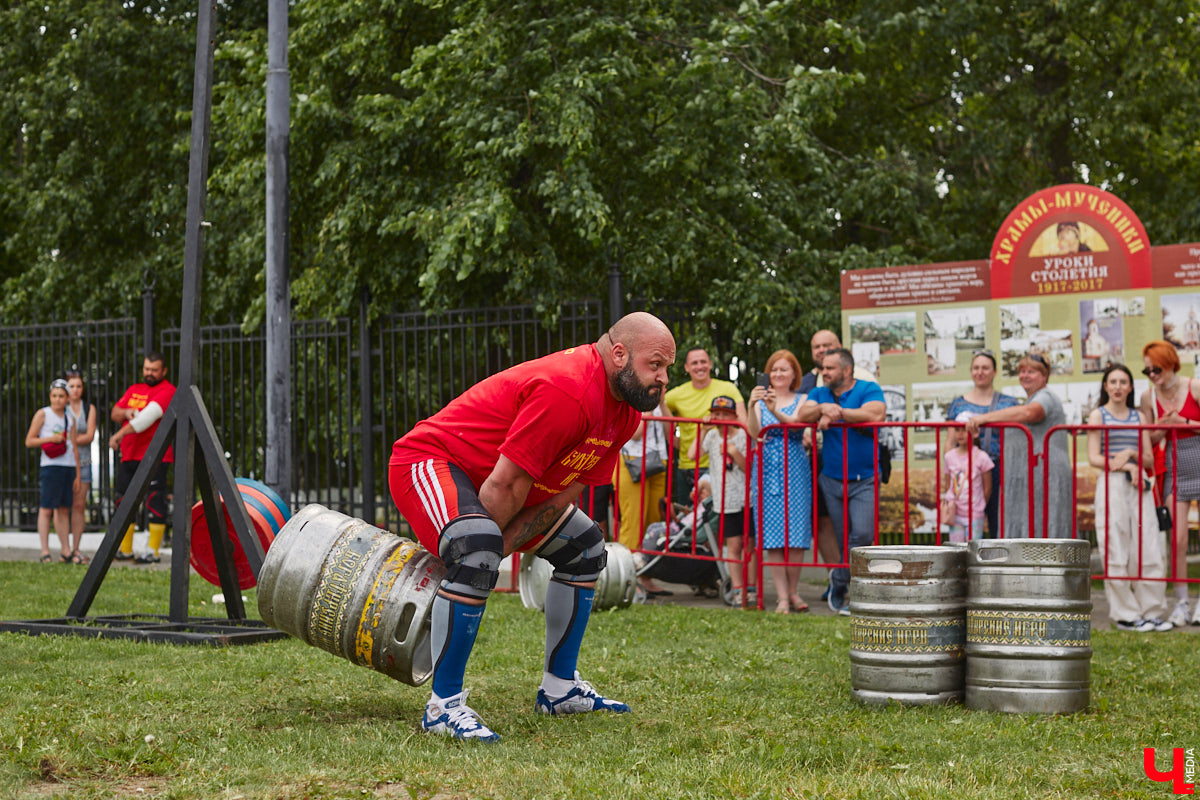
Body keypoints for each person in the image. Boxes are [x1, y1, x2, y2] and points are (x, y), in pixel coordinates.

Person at [388, 312, 675, 742]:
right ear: (620, 354)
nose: (664, 378)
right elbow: (506, 484)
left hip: (502, 484)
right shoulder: (570, 391)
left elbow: (562, 493)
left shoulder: (626, 415)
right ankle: (443, 707)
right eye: (655, 365)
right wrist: (473, 557)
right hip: (431, 461)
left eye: (666, 368)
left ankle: (559, 690)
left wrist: (485, 553)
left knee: (585, 547)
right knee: (476, 546)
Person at [797, 348, 885, 615]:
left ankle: (840, 580)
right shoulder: (819, 393)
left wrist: (839, 413)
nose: (824, 373)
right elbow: (803, 415)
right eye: (823, 368)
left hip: (865, 478)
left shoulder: (868, 388)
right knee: (841, 536)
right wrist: (824, 408)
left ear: (847, 371)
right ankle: (847, 590)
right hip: (832, 479)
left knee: (862, 535)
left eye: (830, 369)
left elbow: (875, 414)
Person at [1087, 364, 1171, 632]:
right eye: (1113, 382)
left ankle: (1152, 609)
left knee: (1148, 545)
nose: (1118, 387)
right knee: (1115, 547)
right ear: (1105, 386)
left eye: (1123, 382)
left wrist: (1131, 454)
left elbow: (1147, 456)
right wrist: (1125, 465)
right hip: (1113, 483)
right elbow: (1094, 457)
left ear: (1131, 387)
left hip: (1139, 486)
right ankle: (1125, 613)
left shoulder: (1138, 417)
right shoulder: (1097, 416)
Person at [965, 353, 1070, 540]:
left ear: (1044, 376)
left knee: (1048, 523)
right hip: (1038, 473)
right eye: (1022, 371)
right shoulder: (1034, 398)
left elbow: (1031, 413)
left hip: (1048, 473)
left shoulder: (1046, 396)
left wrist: (983, 418)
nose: (1025, 375)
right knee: (1038, 522)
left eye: (1032, 372)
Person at [1138, 340, 1200, 628]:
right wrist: (1162, 427)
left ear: (1170, 362)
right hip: (1174, 466)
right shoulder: (1148, 396)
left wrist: (1183, 420)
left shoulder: (1194, 387)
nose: (1152, 375)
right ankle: (1182, 602)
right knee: (1177, 539)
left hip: (1197, 455)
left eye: (1156, 368)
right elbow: (1148, 439)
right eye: (1147, 370)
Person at [747, 349, 813, 614]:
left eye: (783, 369)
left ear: (794, 373)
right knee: (773, 536)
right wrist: (753, 406)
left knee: (796, 535)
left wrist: (776, 411)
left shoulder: (804, 399)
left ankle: (795, 591)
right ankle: (782, 597)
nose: (778, 374)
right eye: (774, 370)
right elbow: (755, 433)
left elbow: (798, 427)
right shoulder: (760, 402)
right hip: (767, 469)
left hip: (795, 467)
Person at [108, 352, 177, 564]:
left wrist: (119, 434)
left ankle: (152, 551)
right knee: (123, 501)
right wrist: (127, 412)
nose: (149, 373)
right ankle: (125, 549)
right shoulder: (134, 389)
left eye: (154, 370)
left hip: (156, 455)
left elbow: (146, 419)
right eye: (146, 368)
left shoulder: (168, 390)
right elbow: (115, 412)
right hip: (129, 455)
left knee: (154, 500)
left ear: (163, 371)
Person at [945, 350, 1018, 538]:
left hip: (1000, 469)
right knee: (964, 524)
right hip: (966, 471)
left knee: (999, 521)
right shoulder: (958, 404)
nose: (980, 372)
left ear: (994, 372)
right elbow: (950, 441)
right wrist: (949, 475)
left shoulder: (1009, 403)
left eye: (985, 368)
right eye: (976, 368)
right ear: (971, 371)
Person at [664, 347, 746, 505]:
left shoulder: (727, 388)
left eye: (703, 362)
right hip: (687, 464)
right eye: (694, 363)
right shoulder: (677, 394)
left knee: (714, 520)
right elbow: (656, 409)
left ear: (710, 364)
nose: (699, 366)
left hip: (717, 464)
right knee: (687, 519)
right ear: (687, 368)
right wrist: (671, 439)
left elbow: (742, 422)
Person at [693, 396, 753, 603]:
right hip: (724, 502)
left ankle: (751, 588)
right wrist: (702, 431)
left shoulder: (743, 437)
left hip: (746, 500)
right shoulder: (711, 437)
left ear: (734, 416)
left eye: (725, 414)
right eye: (716, 414)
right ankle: (738, 590)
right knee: (733, 546)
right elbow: (694, 454)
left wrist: (734, 453)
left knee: (749, 546)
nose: (720, 418)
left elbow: (750, 469)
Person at [615, 401, 672, 596]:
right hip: (632, 463)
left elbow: (669, 434)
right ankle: (626, 579)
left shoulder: (658, 400)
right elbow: (636, 433)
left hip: (657, 462)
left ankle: (645, 576)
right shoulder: (633, 397)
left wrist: (662, 404)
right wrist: (648, 406)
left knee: (652, 524)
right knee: (634, 521)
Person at [24, 378, 80, 563]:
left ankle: (66, 550)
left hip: (68, 466)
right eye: (54, 396)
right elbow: (29, 441)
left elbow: (74, 447)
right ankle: (45, 551)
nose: (57, 400)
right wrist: (49, 440)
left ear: (66, 398)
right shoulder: (43, 414)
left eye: (61, 396)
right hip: (50, 466)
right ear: (50, 396)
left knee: (64, 509)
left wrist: (78, 474)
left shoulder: (69, 418)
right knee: (47, 508)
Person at [940, 426, 993, 543]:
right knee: (956, 549)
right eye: (957, 430)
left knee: (973, 549)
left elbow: (987, 489)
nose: (960, 434)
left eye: (964, 430)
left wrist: (979, 506)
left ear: (974, 433)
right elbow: (948, 484)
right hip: (956, 513)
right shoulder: (949, 457)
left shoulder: (982, 457)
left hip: (974, 513)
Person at [65, 370, 96, 564]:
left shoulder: (88, 407)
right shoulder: (61, 407)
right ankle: (65, 549)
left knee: (79, 506)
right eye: (71, 386)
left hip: (84, 463)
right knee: (62, 507)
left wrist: (69, 439)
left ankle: (76, 548)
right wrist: (74, 440)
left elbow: (90, 435)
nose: (75, 390)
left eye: (78, 386)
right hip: (64, 462)